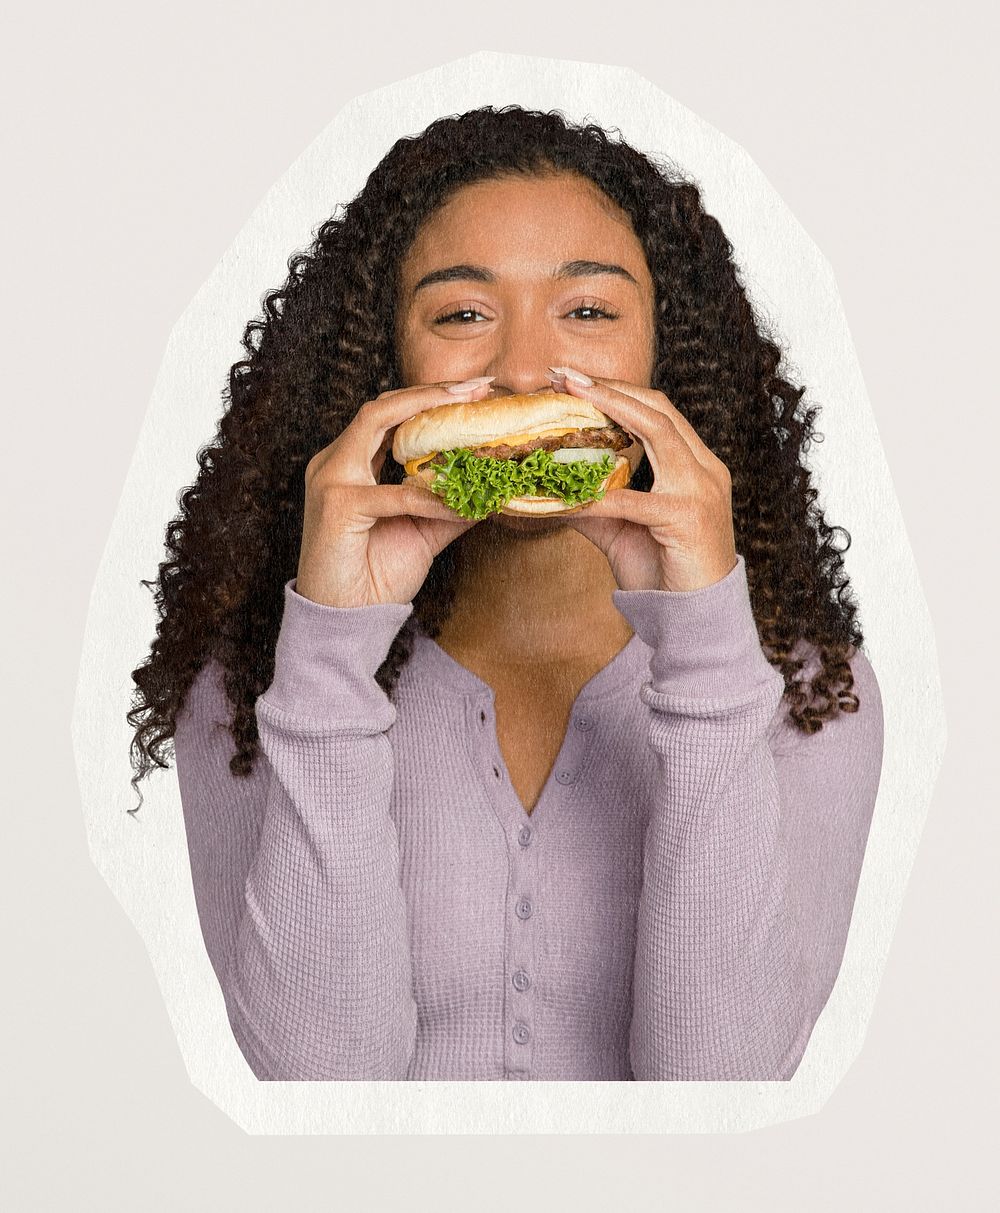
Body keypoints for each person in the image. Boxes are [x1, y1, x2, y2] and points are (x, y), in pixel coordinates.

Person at [127, 105, 884, 1082]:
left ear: (668, 353)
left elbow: (719, 1102)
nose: (524, 369)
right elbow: (321, 1103)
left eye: (588, 311)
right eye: (462, 315)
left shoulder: (805, 689)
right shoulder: (249, 690)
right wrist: (331, 650)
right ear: (381, 359)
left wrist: (703, 642)